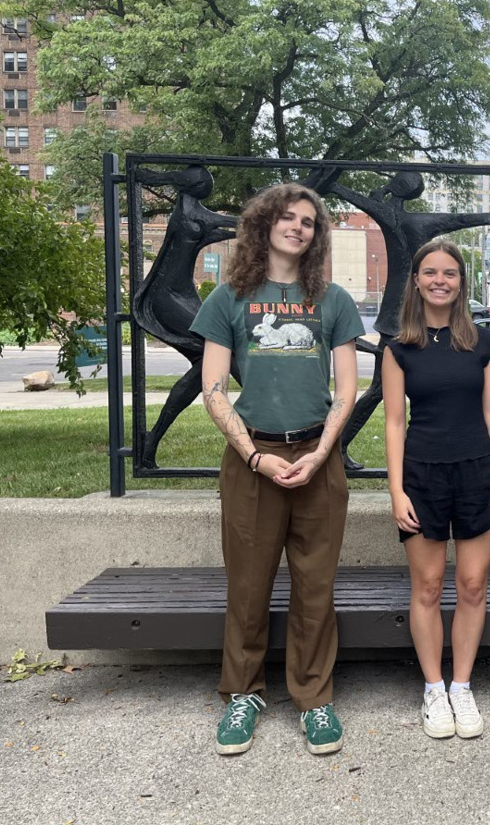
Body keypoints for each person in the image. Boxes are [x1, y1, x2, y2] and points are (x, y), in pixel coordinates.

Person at [192, 183, 362, 756]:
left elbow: (347, 389)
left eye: (309, 222)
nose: (297, 227)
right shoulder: (229, 298)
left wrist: (321, 453)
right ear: (264, 224)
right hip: (252, 460)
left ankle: (314, 700)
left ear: (316, 236)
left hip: (318, 457)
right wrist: (255, 455)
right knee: (248, 586)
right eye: (287, 217)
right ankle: (243, 694)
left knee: (316, 587)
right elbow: (212, 389)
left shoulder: (333, 300)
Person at [382, 240, 490, 740]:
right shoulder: (398, 347)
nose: (440, 280)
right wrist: (396, 490)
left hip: (478, 474)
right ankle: (433, 688)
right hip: (423, 476)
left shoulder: (483, 342)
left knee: (473, 585)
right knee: (429, 586)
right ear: (416, 280)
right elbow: (394, 423)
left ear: (461, 282)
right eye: (430, 272)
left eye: (450, 273)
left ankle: (461, 686)